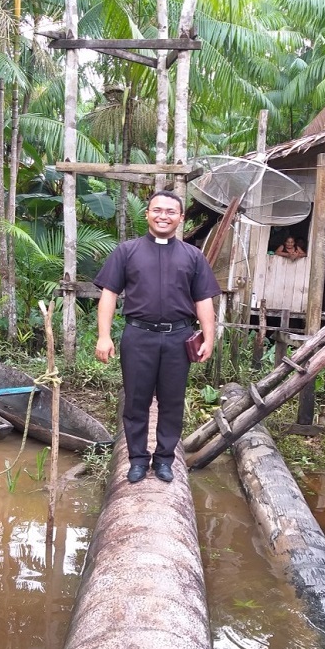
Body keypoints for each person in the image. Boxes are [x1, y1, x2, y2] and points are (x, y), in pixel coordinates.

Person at [94, 190, 221, 484]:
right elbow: (109, 294)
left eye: (170, 212)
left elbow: (204, 301)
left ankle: (164, 460)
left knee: (172, 401)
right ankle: (138, 460)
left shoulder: (193, 256)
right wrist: (104, 336)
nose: (163, 216)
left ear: (181, 218)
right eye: (157, 210)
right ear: (148, 214)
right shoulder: (126, 251)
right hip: (138, 336)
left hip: (179, 338)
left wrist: (209, 339)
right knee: (136, 401)